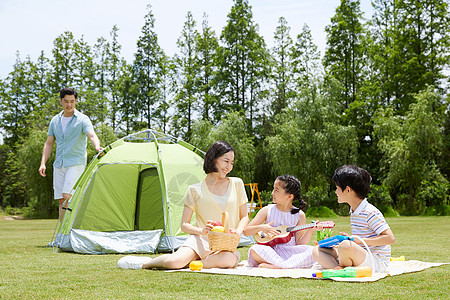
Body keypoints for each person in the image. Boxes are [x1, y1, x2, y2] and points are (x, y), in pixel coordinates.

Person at [117, 141, 249, 270]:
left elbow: (244, 217)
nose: (229, 167)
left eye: (232, 163)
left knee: (229, 259)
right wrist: (201, 231)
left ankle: (196, 263)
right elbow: (184, 225)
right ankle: (145, 263)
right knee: (173, 262)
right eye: (226, 161)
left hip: (225, 244)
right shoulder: (194, 190)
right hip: (201, 241)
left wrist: (238, 232)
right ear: (213, 159)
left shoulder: (236, 184)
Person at [312, 165, 395, 273]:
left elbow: (390, 238)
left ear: (347, 190)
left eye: (337, 188)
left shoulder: (370, 212)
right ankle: (339, 269)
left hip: (376, 261)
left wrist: (357, 241)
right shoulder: (354, 210)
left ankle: (342, 268)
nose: (336, 192)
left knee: (345, 246)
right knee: (317, 250)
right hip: (360, 255)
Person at [38, 87, 103, 219]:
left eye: (72, 101)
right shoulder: (55, 121)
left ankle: (74, 230)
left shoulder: (83, 119)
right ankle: (63, 237)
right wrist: (43, 163)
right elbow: (49, 143)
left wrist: (97, 146)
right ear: (60, 101)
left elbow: (91, 135)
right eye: (66, 101)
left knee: (68, 196)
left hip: (76, 163)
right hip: (59, 164)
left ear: (76, 101)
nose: (69, 105)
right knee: (62, 200)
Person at [243, 175, 322, 269]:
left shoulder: (299, 215)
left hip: (290, 252)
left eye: (276, 190)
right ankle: (284, 266)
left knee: (312, 250)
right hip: (269, 251)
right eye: (273, 189)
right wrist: (262, 228)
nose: (272, 193)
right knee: (254, 249)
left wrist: (310, 230)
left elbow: (300, 243)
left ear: (289, 196)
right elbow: (246, 231)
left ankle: (277, 266)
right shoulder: (267, 210)